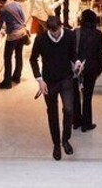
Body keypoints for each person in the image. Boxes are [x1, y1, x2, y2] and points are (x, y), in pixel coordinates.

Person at [30, 16, 77, 161]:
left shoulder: (69, 35)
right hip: (49, 81)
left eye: (57, 32)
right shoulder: (41, 39)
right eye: (52, 33)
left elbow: (73, 54)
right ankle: (56, 144)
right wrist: (39, 80)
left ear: (61, 26)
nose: (55, 35)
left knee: (69, 109)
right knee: (52, 113)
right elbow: (33, 59)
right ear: (48, 29)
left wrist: (77, 62)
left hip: (66, 78)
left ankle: (65, 139)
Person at [0, 0, 29, 89]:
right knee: (18, 55)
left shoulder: (3, 10)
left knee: (7, 58)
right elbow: (23, 18)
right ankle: (16, 77)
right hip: (22, 33)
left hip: (13, 36)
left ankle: (7, 82)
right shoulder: (16, 4)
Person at [73, 9, 102, 132]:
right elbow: (100, 54)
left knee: (75, 95)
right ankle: (86, 123)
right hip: (91, 68)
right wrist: (99, 69)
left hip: (77, 67)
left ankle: (76, 121)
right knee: (87, 96)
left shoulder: (76, 32)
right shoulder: (98, 34)